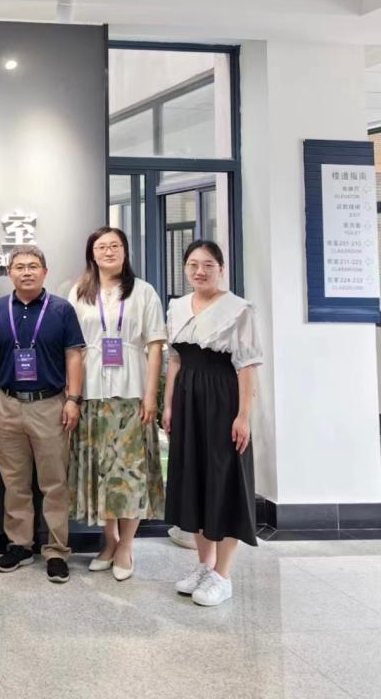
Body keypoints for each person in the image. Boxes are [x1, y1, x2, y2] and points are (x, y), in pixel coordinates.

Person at [163, 240, 262, 607]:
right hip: (187, 400)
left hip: (223, 400)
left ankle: (223, 574)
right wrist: (168, 405)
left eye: (207, 264)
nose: (199, 271)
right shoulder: (177, 307)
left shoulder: (238, 309)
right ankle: (205, 565)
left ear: (221, 268)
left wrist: (243, 415)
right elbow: (175, 360)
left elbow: (247, 366)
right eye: (193, 264)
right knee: (194, 479)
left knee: (225, 480)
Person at [0, 245, 85, 583]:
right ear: (10, 273)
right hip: (7, 404)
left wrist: (74, 399)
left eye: (33, 266)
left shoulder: (62, 309)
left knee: (54, 483)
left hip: (50, 405)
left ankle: (56, 551)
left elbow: (74, 355)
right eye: (20, 266)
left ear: (44, 272)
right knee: (15, 482)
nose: (26, 271)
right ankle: (20, 545)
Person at [67, 227, 166, 581]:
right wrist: (72, 395)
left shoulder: (144, 291)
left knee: (130, 473)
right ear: (91, 254)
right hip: (92, 392)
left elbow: (155, 345)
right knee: (101, 472)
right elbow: (73, 347)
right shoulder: (80, 292)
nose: (108, 252)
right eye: (101, 247)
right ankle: (108, 541)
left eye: (115, 246)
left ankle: (126, 546)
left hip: (131, 391)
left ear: (125, 251)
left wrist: (151, 395)